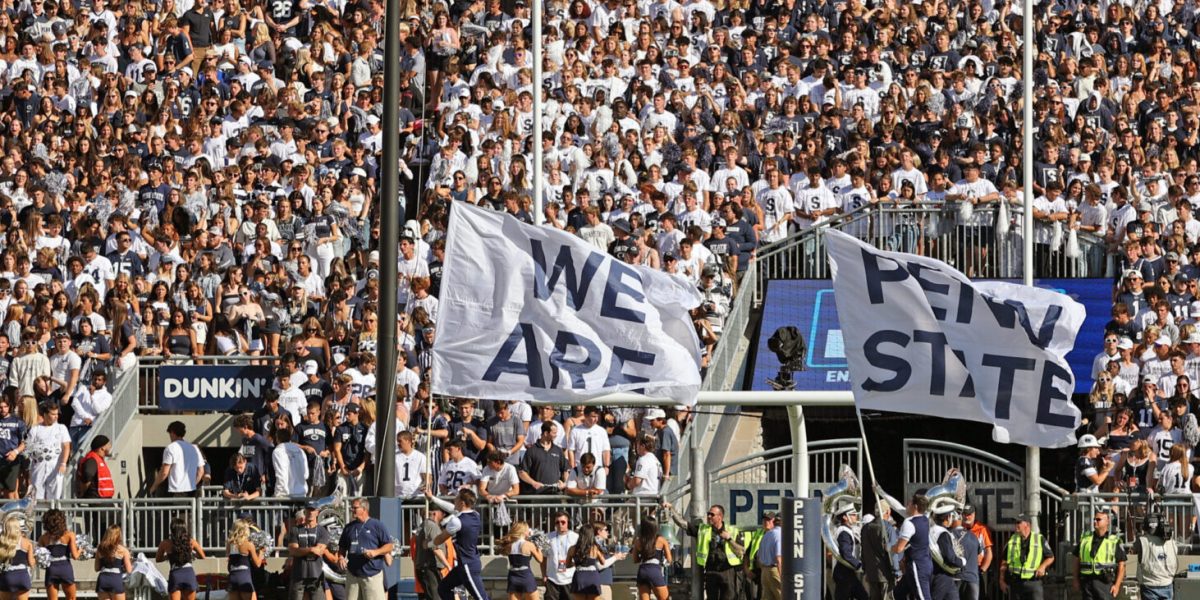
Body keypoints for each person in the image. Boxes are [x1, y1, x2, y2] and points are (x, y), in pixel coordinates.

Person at [665, 501, 744, 600]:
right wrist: (671, 509)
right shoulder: (703, 530)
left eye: (712, 514)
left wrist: (729, 539)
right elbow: (683, 524)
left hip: (727, 571)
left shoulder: (732, 531)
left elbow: (741, 552)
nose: (709, 516)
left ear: (720, 517)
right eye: (708, 514)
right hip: (711, 571)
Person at [432, 489, 489, 600]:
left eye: (457, 498)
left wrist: (429, 543)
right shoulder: (476, 514)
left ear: (462, 503)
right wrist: (432, 498)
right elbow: (451, 508)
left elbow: (440, 539)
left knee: (481, 598)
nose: (454, 500)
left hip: (467, 564)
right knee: (443, 588)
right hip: (466, 564)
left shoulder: (457, 521)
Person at [337, 498, 393, 600]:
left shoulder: (377, 525)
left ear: (364, 509)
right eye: (351, 507)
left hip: (372, 575)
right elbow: (342, 548)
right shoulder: (349, 527)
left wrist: (376, 552)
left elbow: (389, 546)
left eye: (355, 508)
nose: (352, 510)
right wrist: (340, 558)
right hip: (353, 575)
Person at [1073, 510, 1126, 600]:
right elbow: (1076, 560)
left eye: (1098, 519)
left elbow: (1122, 565)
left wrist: (1117, 586)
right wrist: (1075, 579)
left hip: (1104, 584)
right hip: (1087, 582)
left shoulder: (1114, 541)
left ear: (1107, 522)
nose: (1094, 521)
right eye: (1094, 519)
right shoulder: (1085, 539)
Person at [999, 514, 1054, 600]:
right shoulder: (1011, 540)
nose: (1016, 525)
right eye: (1015, 523)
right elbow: (1004, 561)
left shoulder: (1039, 539)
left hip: (1033, 583)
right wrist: (1001, 580)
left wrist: (1042, 567)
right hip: (1016, 584)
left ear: (1027, 525)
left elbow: (1050, 557)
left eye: (1019, 522)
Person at [285, 504, 330, 600]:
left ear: (317, 512)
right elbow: (293, 551)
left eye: (313, 510)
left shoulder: (322, 531)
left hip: (316, 575)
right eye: (308, 510)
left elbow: (319, 551)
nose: (311, 513)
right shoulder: (295, 530)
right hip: (298, 574)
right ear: (305, 511)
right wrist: (310, 550)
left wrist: (301, 551)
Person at [567, 525, 625, 600]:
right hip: (592, 576)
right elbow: (603, 562)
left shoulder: (573, 548)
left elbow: (567, 564)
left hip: (579, 576)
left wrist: (576, 564)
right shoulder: (594, 548)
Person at [892, 494, 932, 600]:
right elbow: (916, 542)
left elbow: (899, 548)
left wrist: (889, 547)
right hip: (923, 563)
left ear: (915, 506)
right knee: (898, 592)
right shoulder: (925, 519)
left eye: (909, 503)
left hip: (917, 566)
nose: (906, 505)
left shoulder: (909, 523)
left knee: (923, 598)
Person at [26, 403, 70, 499]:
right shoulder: (35, 429)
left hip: (55, 465)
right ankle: (38, 513)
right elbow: (28, 448)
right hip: (38, 465)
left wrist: (63, 463)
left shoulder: (61, 428)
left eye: (57, 414)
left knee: (55, 496)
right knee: (36, 495)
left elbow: (66, 446)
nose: (56, 416)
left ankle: (54, 514)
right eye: (53, 414)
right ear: (45, 415)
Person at [1132, 511, 1179, 599]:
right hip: (1167, 584)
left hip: (1149, 586)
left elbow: (1133, 549)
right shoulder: (1171, 541)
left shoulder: (1142, 540)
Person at [151, 421, 205, 497]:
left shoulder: (170, 448)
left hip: (175, 492)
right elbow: (201, 471)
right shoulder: (194, 448)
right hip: (192, 492)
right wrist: (192, 484)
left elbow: (164, 472)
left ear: (172, 432)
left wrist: (153, 487)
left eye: (169, 433)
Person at [156, 517, 206, 600]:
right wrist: (192, 555)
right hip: (189, 574)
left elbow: (158, 559)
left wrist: (168, 556)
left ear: (172, 530)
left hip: (175, 574)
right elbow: (203, 556)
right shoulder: (191, 541)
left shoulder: (165, 543)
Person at [861, 501, 899, 600]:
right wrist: (896, 571)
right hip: (885, 573)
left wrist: (865, 569)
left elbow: (863, 551)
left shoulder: (865, 528)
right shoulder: (888, 528)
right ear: (888, 512)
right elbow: (893, 552)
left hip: (871, 572)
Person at [38, 509, 78, 600]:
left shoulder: (43, 538)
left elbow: (40, 556)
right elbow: (75, 556)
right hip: (65, 568)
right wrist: (81, 550)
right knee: (71, 598)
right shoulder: (69, 535)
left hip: (51, 569)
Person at [414, 503, 451, 600]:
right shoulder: (432, 526)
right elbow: (436, 548)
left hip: (423, 568)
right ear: (435, 513)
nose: (443, 516)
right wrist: (448, 566)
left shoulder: (422, 526)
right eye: (442, 513)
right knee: (436, 597)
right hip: (429, 568)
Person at [833, 503, 867, 600]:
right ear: (845, 517)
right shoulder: (844, 532)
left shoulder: (847, 530)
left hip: (847, 572)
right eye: (852, 514)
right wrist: (859, 565)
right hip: (844, 573)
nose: (855, 516)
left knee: (863, 596)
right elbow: (846, 554)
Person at [501, 521, 543, 600]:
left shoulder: (509, 545)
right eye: (528, 529)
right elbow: (540, 560)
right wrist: (539, 547)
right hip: (526, 576)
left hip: (512, 576)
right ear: (523, 531)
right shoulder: (529, 544)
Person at [929, 505, 964, 600]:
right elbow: (950, 558)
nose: (952, 519)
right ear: (947, 517)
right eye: (951, 516)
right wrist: (962, 562)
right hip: (942, 576)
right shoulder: (942, 533)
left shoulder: (931, 530)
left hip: (940, 575)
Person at [633, 516, 672, 600]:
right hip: (654, 570)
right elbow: (669, 559)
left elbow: (635, 560)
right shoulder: (661, 540)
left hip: (642, 571)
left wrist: (644, 555)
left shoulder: (638, 541)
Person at [543, 511, 578, 600]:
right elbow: (543, 558)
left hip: (570, 579)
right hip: (552, 579)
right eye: (557, 522)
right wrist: (544, 574)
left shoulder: (575, 537)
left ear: (568, 523)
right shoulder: (547, 537)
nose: (560, 524)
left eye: (563, 522)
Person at [227, 520, 265, 600]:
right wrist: (261, 552)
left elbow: (229, 563)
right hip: (244, 578)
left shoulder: (229, 544)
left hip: (232, 578)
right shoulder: (248, 544)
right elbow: (257, 564)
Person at [0, 513, 34, 600]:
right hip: (22, 576)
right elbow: (31, 563)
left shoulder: (2, 542)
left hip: (6, 576)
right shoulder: (27, 542)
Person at [95, 525, 132, 600]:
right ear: (119, 536)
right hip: (116, 579)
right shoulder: (123, 550)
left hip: (103, 579)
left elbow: (96, 568)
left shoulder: (100, 549)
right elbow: (129, 570)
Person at [0, 398, 27, 499]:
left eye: (5, 407)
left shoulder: (18, 421)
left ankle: (13, 514)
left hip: (12, 460)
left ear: (9, 406)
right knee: (3, 490)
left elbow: (25, 442)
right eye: (0, 407)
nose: (3, 409)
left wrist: (15, 452)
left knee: (11, 491)